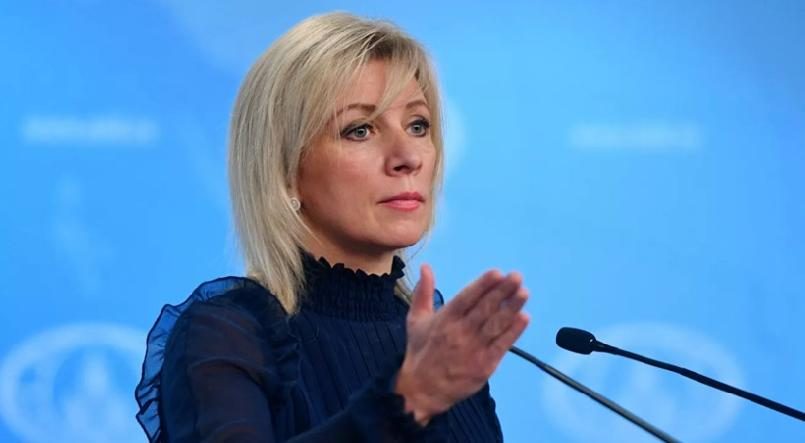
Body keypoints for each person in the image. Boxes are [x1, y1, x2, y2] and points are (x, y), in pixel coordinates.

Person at [135, 11, 530, 442]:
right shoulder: (227, 335)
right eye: (360, 130)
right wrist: (408, 400)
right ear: (286, 171)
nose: (408, 157)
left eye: (418, 126)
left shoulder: (437, 347)